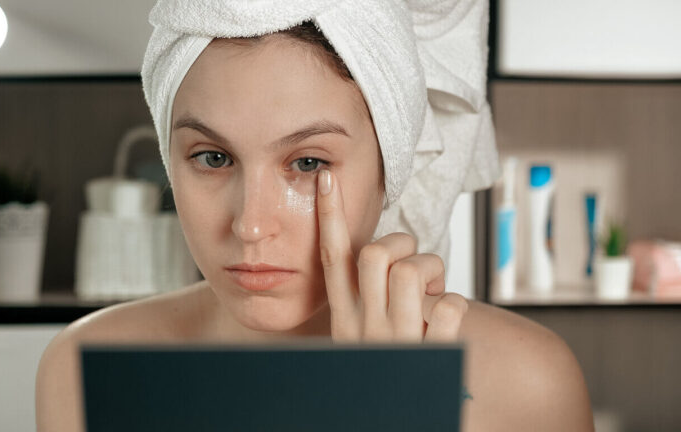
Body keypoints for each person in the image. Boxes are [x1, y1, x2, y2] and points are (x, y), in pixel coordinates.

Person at [36, 2, 594, 431]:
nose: (251, 226)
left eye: (308, 163)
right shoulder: (82, 369)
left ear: (389, 167)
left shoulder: (528, 384)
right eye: (213, 158)